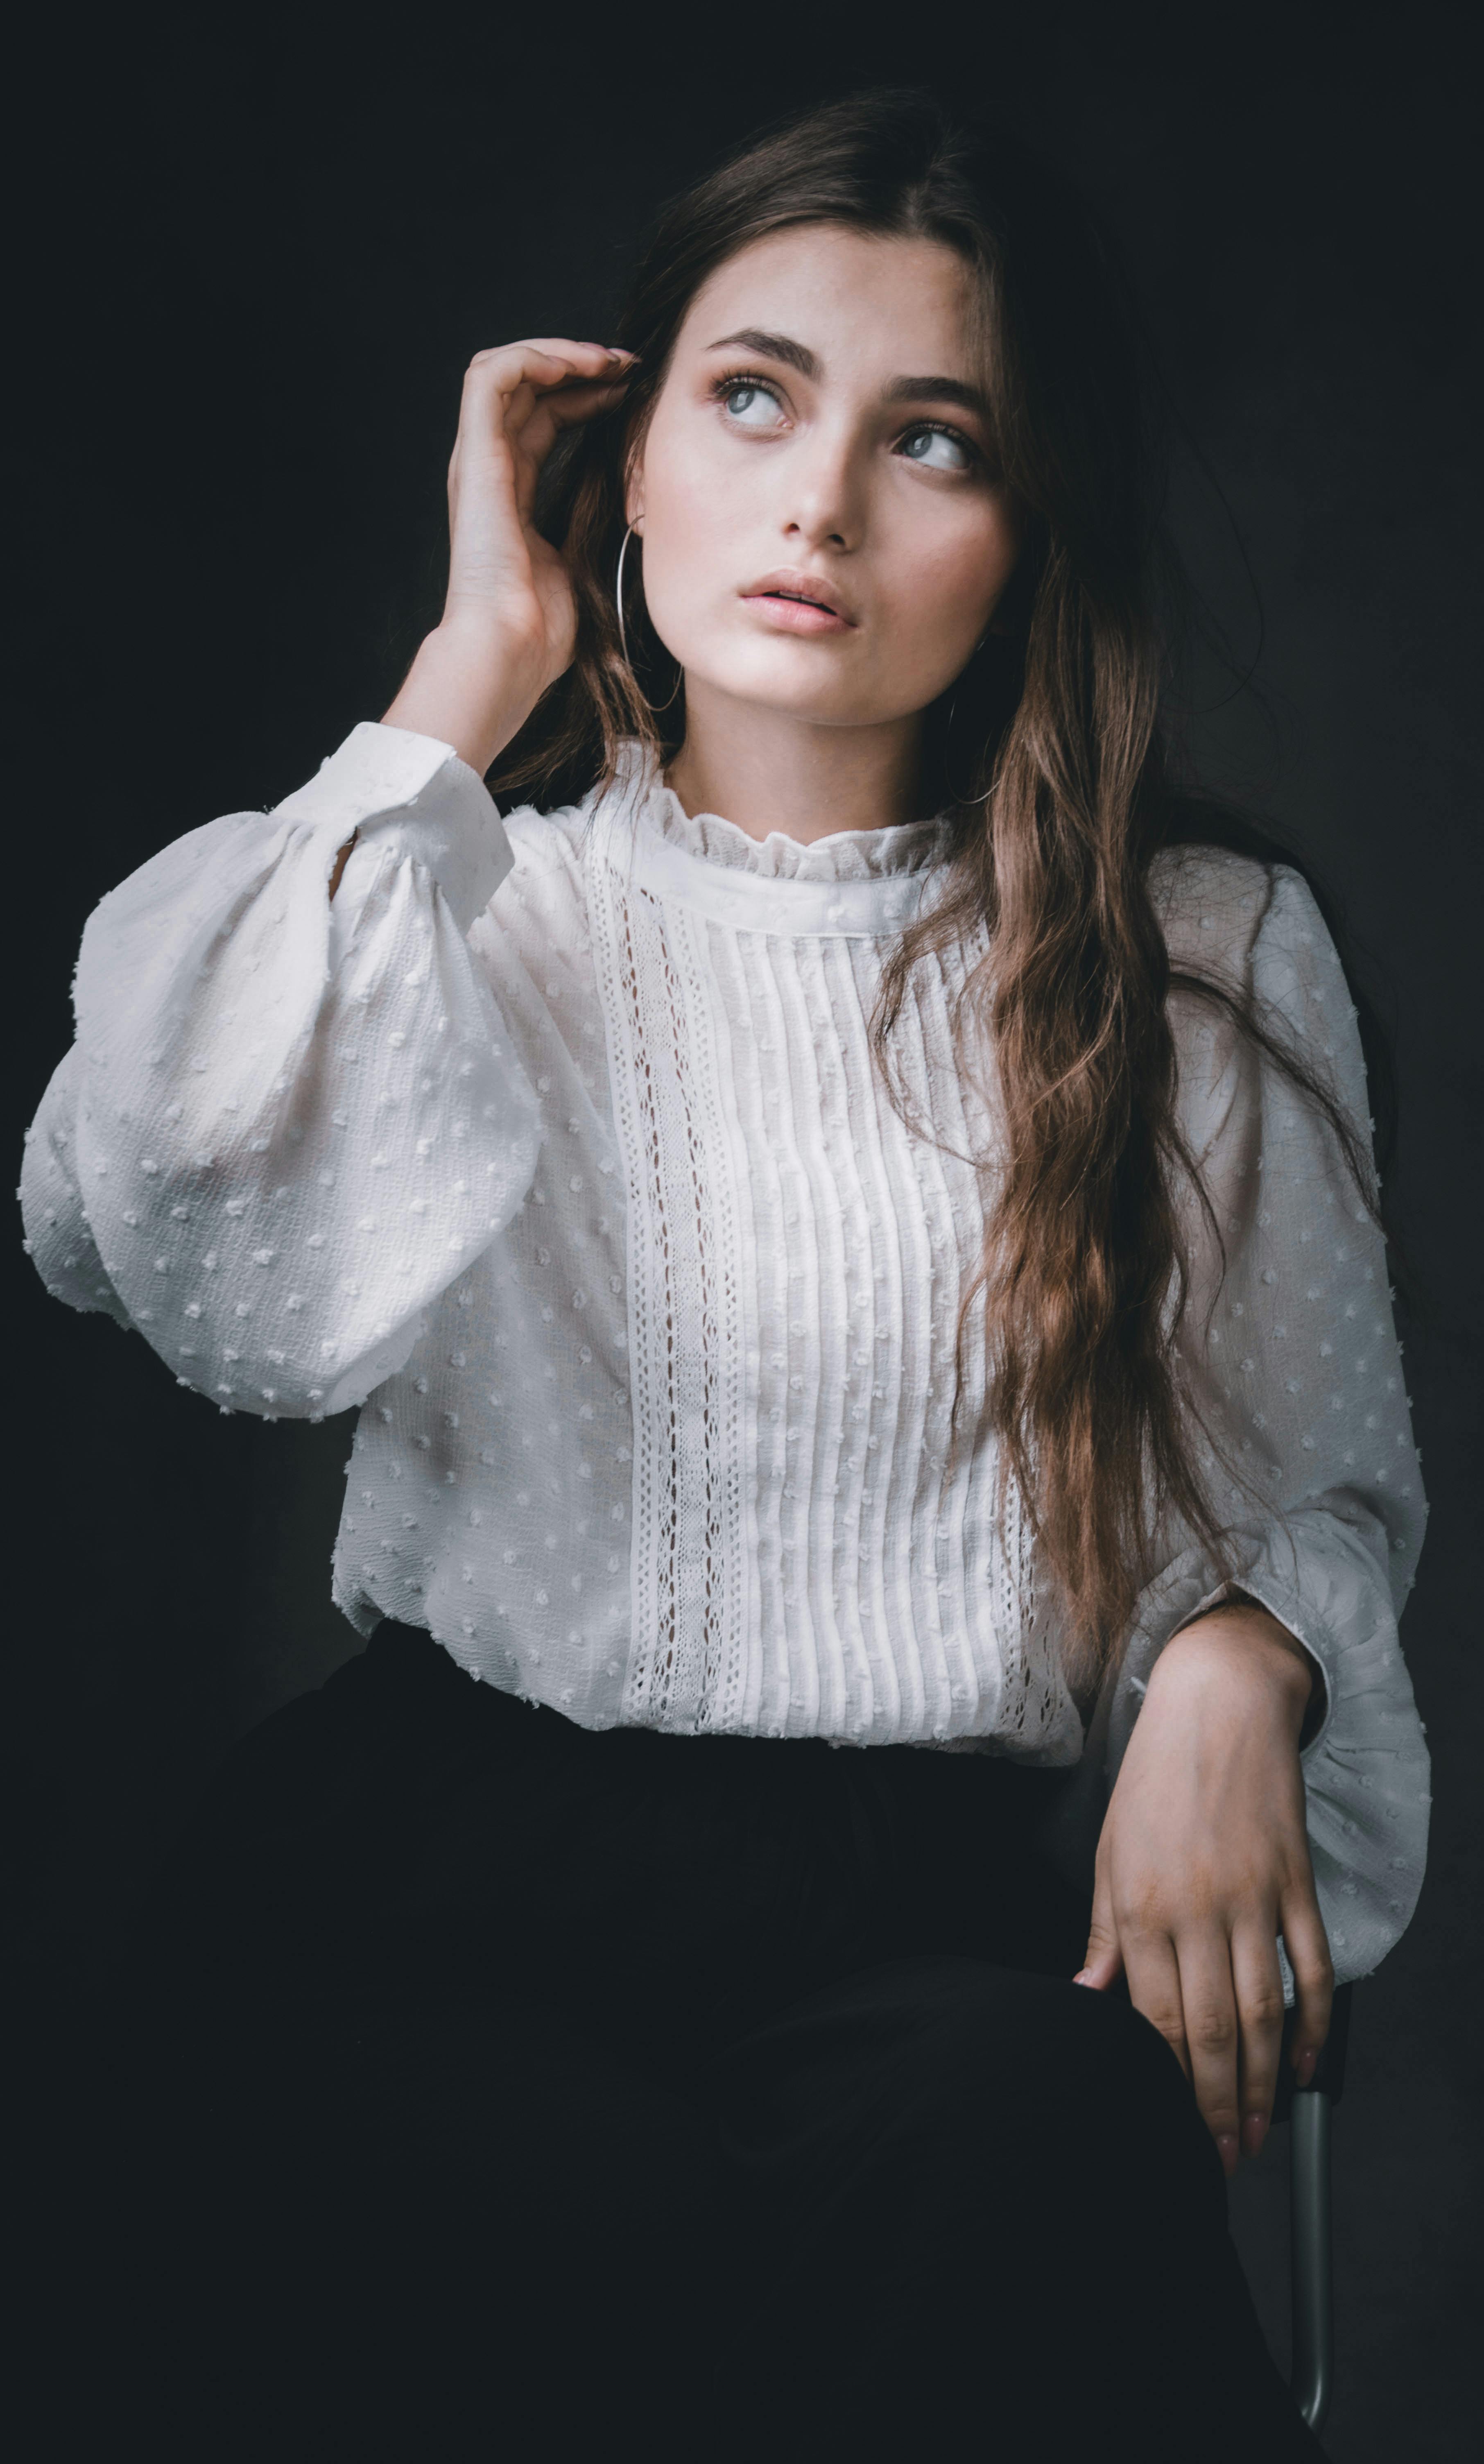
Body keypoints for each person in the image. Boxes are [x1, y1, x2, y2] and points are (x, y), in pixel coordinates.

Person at [18, 84, 1429, 2462]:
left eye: (933, 438)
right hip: (431, 1898)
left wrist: (1235, 1643)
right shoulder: (469, 904)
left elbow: (1312, 1482)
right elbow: (138, 1214)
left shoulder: (1197, 957)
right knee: (460, 2219)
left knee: (1019, 2148)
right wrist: (466, 674)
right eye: (751, 395)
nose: (820, 499)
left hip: (920, 1918)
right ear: (626, 462)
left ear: (1023, 526)